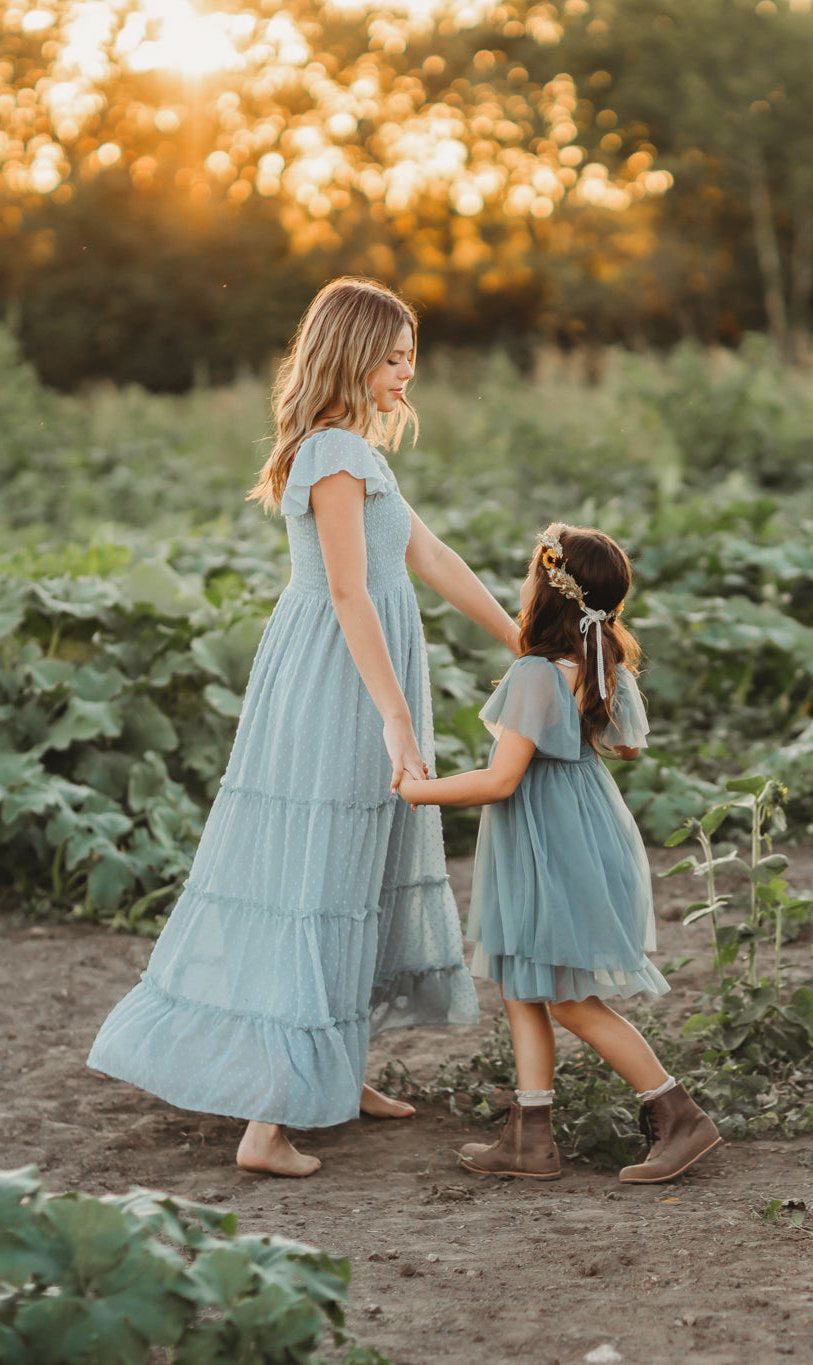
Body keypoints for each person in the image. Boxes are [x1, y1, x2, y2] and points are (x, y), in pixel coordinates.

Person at [88, 277, 520, 1177]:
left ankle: (332, 1069)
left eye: (411, 359)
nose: (409, 375)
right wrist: (395, 716)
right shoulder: (330, 454)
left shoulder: (359, 452)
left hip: (363, 670)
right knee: (319, 872)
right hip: (341, 682)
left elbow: (429, 555)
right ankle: (270, 1120)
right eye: (395, 359)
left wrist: (521, 637)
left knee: (358, 869)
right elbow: (347, 589)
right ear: (355, 358)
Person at [399, 522, 721, 1183]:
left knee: (569, 999)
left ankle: (678, 1112)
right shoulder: (602, 665)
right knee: (525, 984)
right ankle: (530, 1133)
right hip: (576, 831)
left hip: (549, 842)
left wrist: (418, 790)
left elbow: (500, 779)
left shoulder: (536, 674)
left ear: (548, 590)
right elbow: (627, 745)